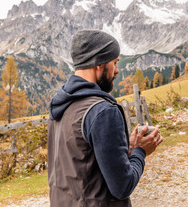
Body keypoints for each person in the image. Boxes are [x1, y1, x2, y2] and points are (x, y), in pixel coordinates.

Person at [47, 29, 163, 207]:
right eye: (115, 63)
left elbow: (82, 165)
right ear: (99, 63)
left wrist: (128, 148)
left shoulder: (60, 106)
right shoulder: (102, 111)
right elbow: (122, 186)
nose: (117, 71)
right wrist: (140, 151)